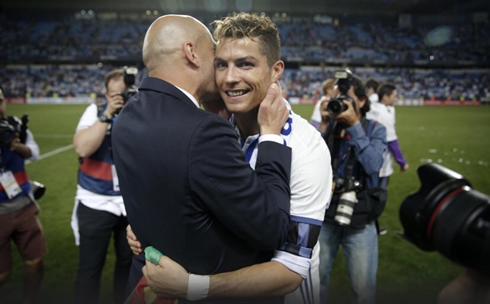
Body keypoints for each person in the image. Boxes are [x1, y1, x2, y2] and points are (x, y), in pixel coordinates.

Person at [127, 12, 332, 304]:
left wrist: (192, 287)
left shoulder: (305, 148)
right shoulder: (213, 134)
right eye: (221, 64)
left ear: (276, 70)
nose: (230, 78)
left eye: (245, 64)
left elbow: (289, 270)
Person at [318, 71, 387, 304]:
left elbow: (373, 165)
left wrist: (355, 127)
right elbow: (312, 164)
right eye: (338, 98)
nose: (341, 103)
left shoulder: (375, 128)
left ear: (361, 101)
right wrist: (325, 124)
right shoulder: (331, 128)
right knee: (317, 280)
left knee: (363, 287)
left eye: (346, 98)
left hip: (360, 216)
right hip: (326, 213)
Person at [71, 69, 132, 304]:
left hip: (128, 202)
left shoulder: (137, 113)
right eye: (115, 95)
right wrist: (107, 114)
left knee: (128, 263)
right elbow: (83, 148)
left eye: (124, 94)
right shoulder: (94, 112)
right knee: (90, 267)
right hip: (94, 200)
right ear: (106, 95)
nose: (120, 99)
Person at [0, 85, 44, 304]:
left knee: (35, 263)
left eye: (0, 101)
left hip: (23, 204)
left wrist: (15, 145)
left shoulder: (14, 126)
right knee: (2, 275)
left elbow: (33, 152)